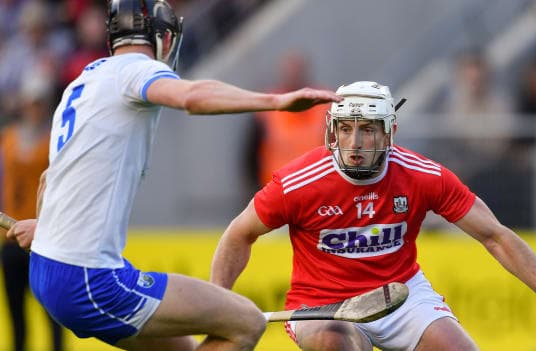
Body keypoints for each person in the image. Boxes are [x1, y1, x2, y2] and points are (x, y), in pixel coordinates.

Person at [5, 1, 341, 351]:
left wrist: (47, 227)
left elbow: (50, 178)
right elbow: (193, 97)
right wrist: (278, 101)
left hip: (50, 268)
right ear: (159, 36)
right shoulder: (135, 71)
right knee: (246, 322)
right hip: (88, 278)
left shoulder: (83, 83)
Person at [210, 81, 536, 351]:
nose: (355, 143)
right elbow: (238, 234)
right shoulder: (299, 181)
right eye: (345, 129)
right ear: (332, 131)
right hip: (321, 305)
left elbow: (493, 235)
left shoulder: (423, 175)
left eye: (367, 130)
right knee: (337, 343)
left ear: (389, 131)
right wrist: (218, 306)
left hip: (402, 296)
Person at [1, 77, 64, 351]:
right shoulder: (10, 138)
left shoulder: (54, 140)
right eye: (30, 103)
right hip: (11, 234)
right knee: (16, 314)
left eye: (38, 103)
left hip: (43, 237)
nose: (33, 108)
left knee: (53, 312)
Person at [247, 50, 330, 188]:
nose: (294, 77)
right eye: (290, 73)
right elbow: (251, 155)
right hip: (276, 190)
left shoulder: (325, 105)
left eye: (297, 72)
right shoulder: (267, 109)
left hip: (316, 188)